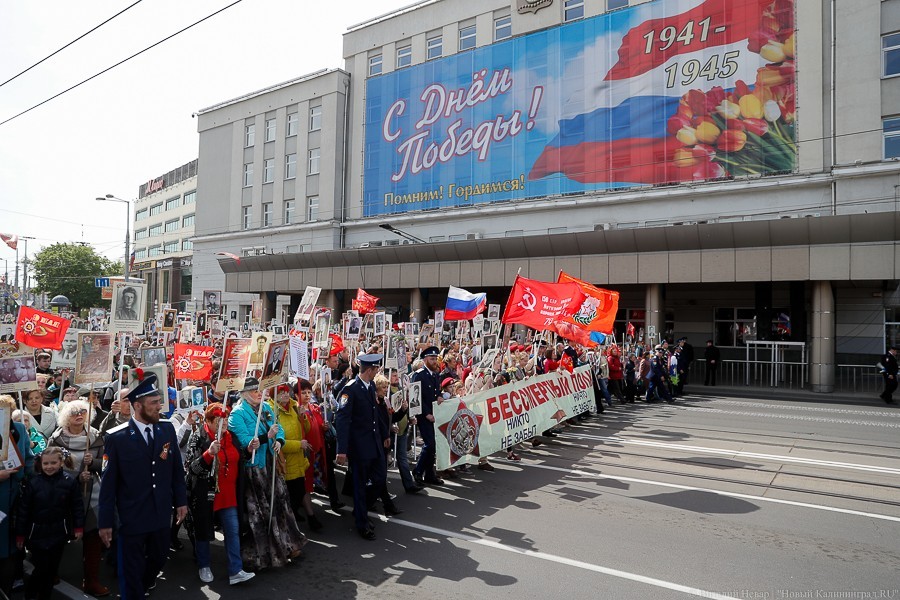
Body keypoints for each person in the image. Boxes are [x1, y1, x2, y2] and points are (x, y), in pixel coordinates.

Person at [97, 373, 188, 600]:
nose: (160, 407)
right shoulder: (117, 438)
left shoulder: (166, 430)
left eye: (159, 402)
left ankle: (143, 585)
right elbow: (108, 485)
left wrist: (181, 501)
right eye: (154, 403)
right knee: (130, 570)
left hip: (160, 513)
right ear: (137, 406)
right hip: (131, 517)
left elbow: (176, 469)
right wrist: (105, 522)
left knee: (158, 559)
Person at [228, 377, 306, 570]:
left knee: (281, 503)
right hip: (255, 468)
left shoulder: (266, 408)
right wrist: (266, 437)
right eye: (255, 391)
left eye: (259, 390)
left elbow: (277, 429)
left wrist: (279, 441)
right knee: (263, 511)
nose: (259, 394)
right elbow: (247, 442)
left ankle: (288, 544)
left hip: (271, 464)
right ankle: (269, 551)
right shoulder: (237, 414)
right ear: (245, 394)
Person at [184, 403, 255, 586]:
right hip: (206, 495)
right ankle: (204, 565)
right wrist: (208, 454)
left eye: (224, 422)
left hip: (229, 494)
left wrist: (248, 449)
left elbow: (240, 458)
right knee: (203, 530)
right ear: (207, 421)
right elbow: (192, 468)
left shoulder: (231, 437)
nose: (222, 427)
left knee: (232, 531)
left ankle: (235, 570)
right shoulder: (198, 437)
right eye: (218, 422)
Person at [49, 399, 107, 596]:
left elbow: (107, 464)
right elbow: (49, 466)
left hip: (92, 495)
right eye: (74, 412)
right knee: (58, 536)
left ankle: (91, 580)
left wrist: (96, 462)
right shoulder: (56, 439)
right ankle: (50, 573)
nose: (79, 415)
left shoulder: (95, 437)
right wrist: (75, 478)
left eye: (83, 411)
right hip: (64, 496)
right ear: (66, 416)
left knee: (93, 538)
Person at [334, 354, 394, 540]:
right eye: (376, 369)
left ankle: (361, 509)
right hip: (359, 446)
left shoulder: (369, 388)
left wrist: (384, 434)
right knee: (360, 485)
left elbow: (375, 416)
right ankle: (362, 522)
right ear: (370, 370)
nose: (377, 372)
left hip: (374, 443)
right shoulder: (351, 389)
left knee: (379, 478)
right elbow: (342, 421)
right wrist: (341, 450)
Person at [15, 447, 85, 600]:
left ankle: (44, 596)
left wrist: (78, 527)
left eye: (54, 462)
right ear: (40, 464)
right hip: (37, 535)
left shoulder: (69, 481)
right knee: (41, 568)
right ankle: (31, 594)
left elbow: (77, 506)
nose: (49, 466)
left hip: (59, 534)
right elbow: (23, 511)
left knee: (52, 570)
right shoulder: (33, 483)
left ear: (61, 463)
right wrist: (20, 535)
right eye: (46, 463)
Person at [269, 383, 321, 531]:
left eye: (287, 392)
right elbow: (278, 442)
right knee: (290, 497)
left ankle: (291, 527)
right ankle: (287, 530)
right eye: (281, 392)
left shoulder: (293, 407)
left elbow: (306, 429)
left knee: (298, 493)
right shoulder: (272, 411)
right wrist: (299, 444)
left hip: (298, 461)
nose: (285, 395)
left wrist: (302, 417)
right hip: (284, 462)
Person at [412, 346, 443, 486]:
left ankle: (430, 474)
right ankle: (418, 471)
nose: (434, 360)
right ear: (425, 360)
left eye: (435, 358)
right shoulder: (419, 375)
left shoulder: (436, 374)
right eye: (432, 358)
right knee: (429, 444)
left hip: (435, 415)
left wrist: (440, 396)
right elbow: (415, 398)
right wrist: (426, 414)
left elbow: (437, 392)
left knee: (434, 446)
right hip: (423, 416)